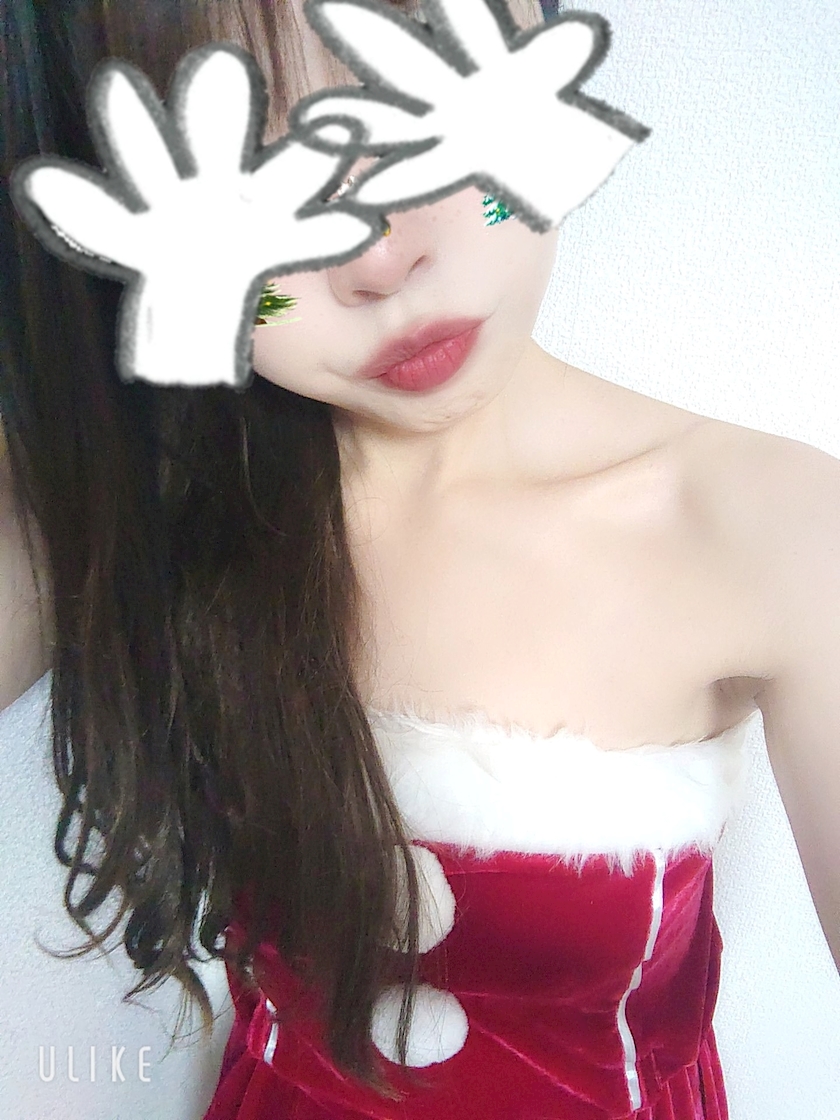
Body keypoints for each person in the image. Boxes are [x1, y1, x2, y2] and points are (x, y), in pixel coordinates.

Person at [1, 1, 838, 1118]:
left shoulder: (774, 527)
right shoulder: (153, 495)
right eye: (243, 186)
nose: (379, 256)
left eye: (423, 99)